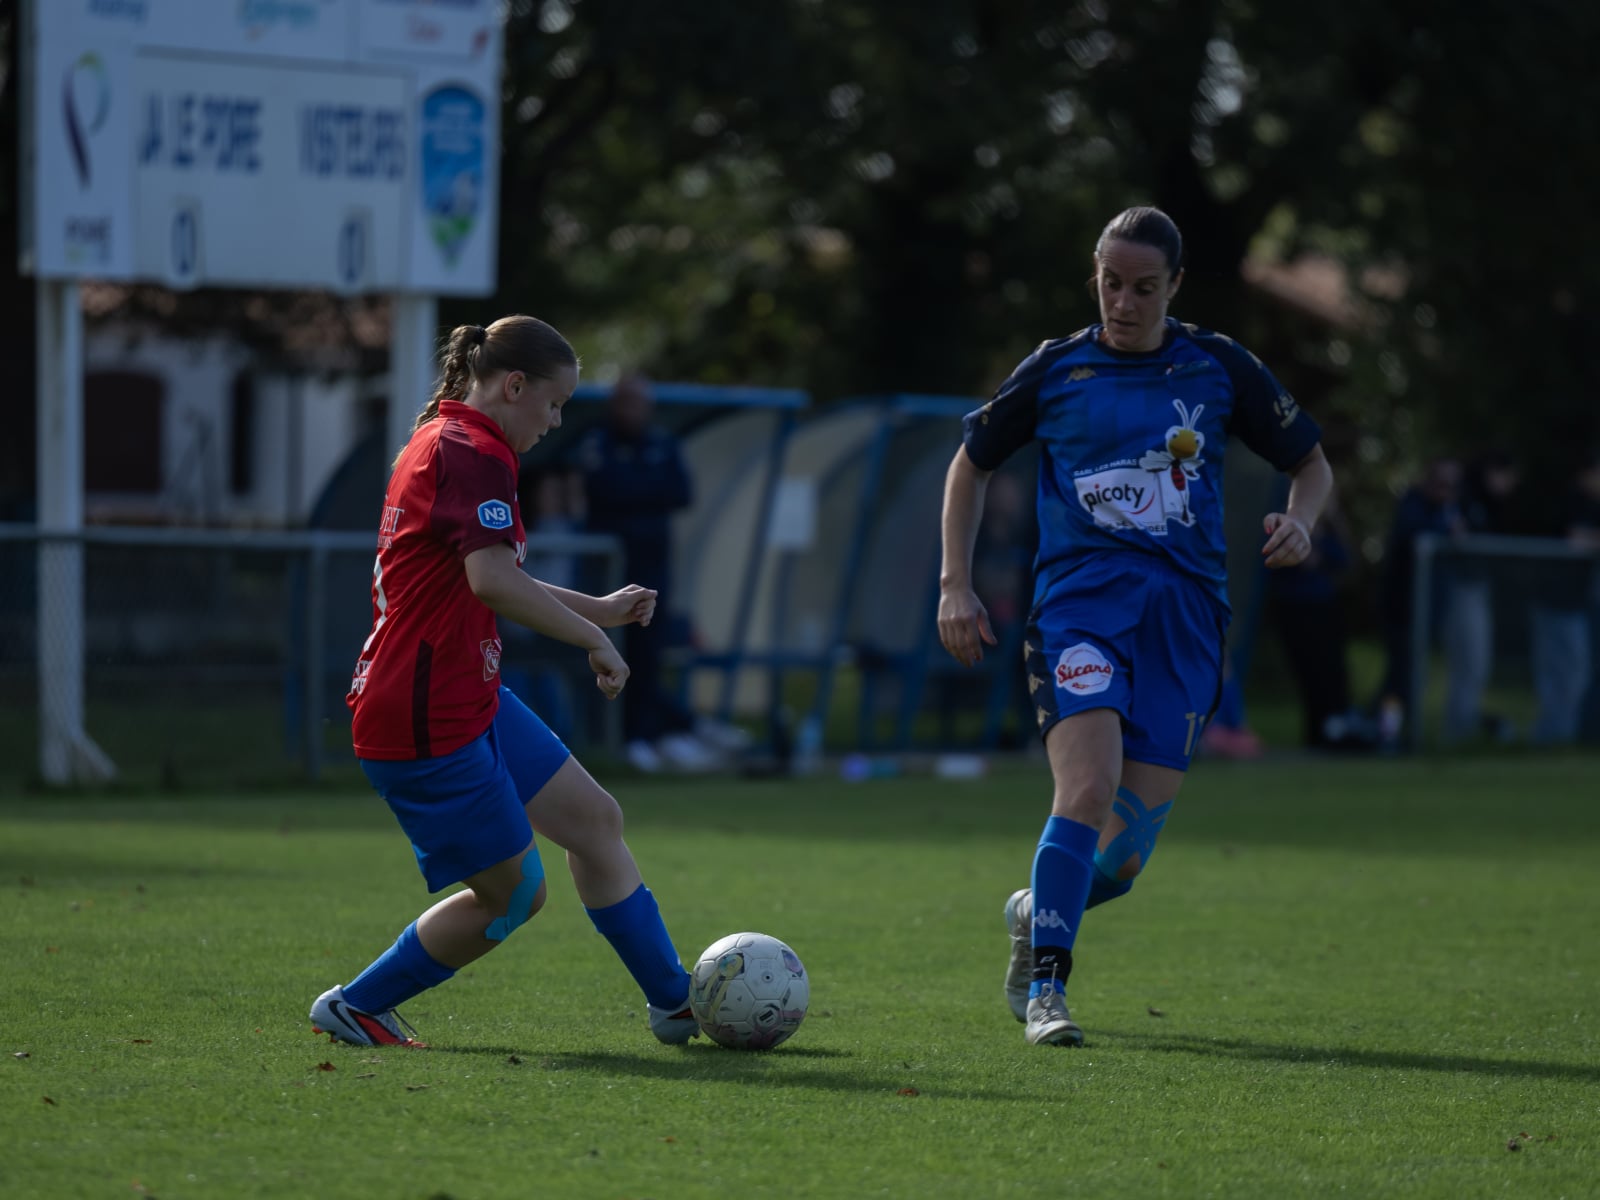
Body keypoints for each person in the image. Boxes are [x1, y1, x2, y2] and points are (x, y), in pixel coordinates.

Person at [936, 206, 1332, 1047]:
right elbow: (970, 464)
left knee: (1120, 862)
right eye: (1110, 283)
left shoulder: (1217, 366)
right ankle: (1048, 991)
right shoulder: (1057, 369)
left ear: (1175, 285)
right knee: (1084, 790)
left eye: (1144, 288)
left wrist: (1302, 522)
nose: (1123, 302)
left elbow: (1310, 462)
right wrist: (955, 585)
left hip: (1186, 621)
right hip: (1079, 608)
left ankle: (1036, 911)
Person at [310, 316, 700, 1049]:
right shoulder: (473, 450)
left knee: (594, 821)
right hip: (424, 715)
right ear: (514, 386)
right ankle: (356, 1006)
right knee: (515, 895)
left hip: (467, 696)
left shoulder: (451, 437)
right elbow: (490, 580)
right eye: (554, 404)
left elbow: (488, 574)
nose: (556, 422)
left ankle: (676, 1003)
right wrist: (593, 640)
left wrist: (598, 611)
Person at [573, 372, 738, 772]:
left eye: (640, 403)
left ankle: (660, 732)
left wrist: (633, 489)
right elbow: (606, 488)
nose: (634, 412)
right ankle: (630, 738)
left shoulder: (663, 443)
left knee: (649, 654)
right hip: (608, 576)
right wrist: (644, 490)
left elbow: (680, 492)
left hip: (653, 570)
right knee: (614, 650)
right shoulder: (597, 443)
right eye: (626, 403)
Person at [1373, 456, 1465, 749]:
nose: (1446, 489)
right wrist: (1446, 529)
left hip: (1426, 612)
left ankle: (1400, 733)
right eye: (1441, 482)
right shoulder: (1413, 505)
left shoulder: (1448, 508)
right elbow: (1412, 534)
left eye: (1452, 484)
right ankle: (1386, 734)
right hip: (1403, 610)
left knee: (1412, 677)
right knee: (1400, 679)